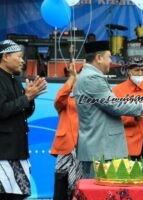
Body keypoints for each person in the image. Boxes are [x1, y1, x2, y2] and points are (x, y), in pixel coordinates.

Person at [73, 41, 143, 178]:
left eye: (142, 70)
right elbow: (114, 105)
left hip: (101, 147)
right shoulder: (92, 78)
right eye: (109, 57)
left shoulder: (88, 76)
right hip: (100, 147)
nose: (111, 62)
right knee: (99, 192)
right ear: (99, 58)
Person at [0, 40, 47, 199]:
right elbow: (2, 110)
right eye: (19, 57)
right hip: (4, 154)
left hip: (17, 150)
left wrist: (30, 98)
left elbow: (21, 113)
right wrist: (27, 96)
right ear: (6, 56)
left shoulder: (14, 79)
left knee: (19, 196)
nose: (22, 61)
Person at [50, 63, 82, 200]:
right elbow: (58, 99)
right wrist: (71, 78)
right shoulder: (65, 99)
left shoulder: (92, 97)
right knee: (61, 191)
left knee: (81, 190)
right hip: (65, 148)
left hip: (84, 149)